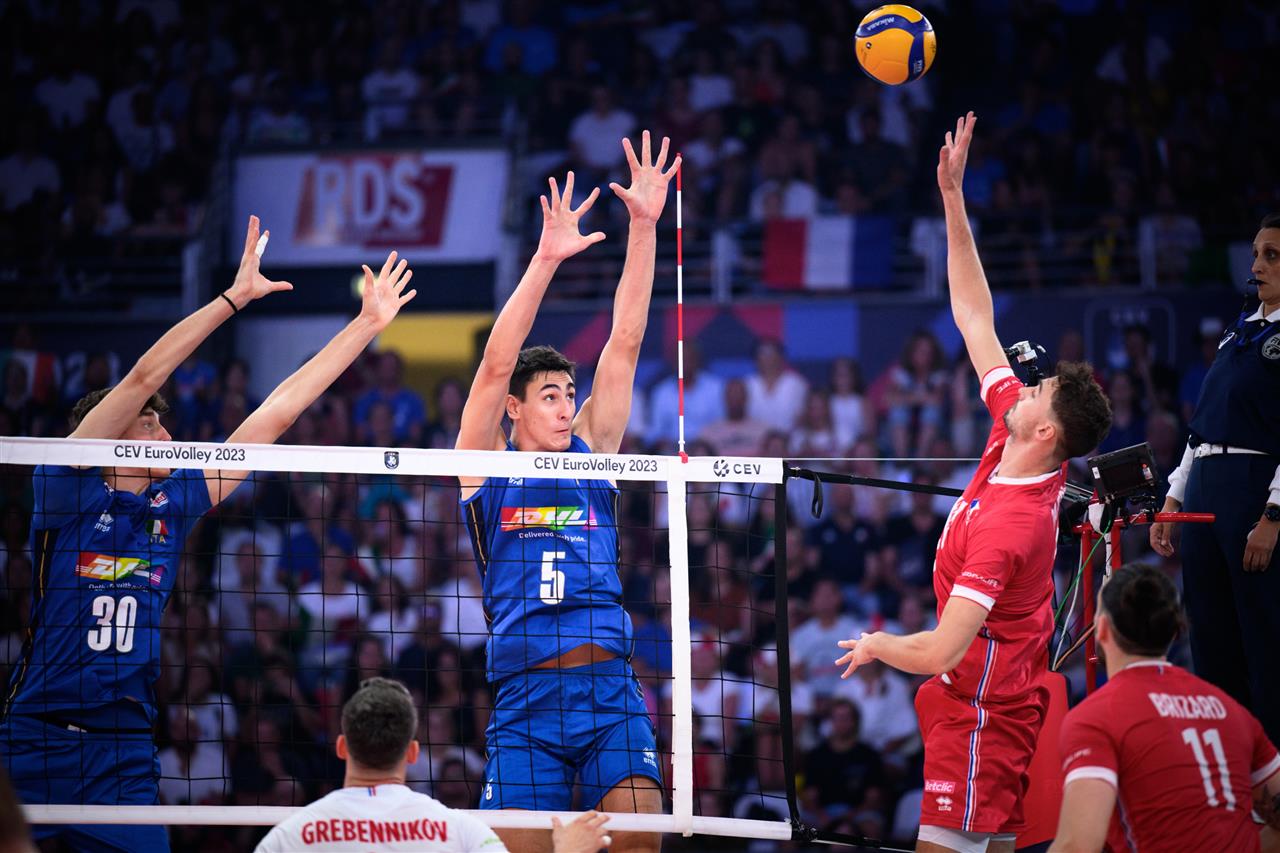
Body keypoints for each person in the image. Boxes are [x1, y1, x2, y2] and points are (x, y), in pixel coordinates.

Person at [0, 217, 417, 853]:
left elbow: (276, 413)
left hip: (124, 750)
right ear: (107, 436)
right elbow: (143, 377)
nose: (167, 435)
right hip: (36, 738)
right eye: (150, 424)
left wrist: (365, 325)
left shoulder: (172, 504)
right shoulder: (63, 487)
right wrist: (233, 298)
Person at [834, 113, 1112, 853]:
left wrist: (876, 642)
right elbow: (971, 313)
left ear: (1047, 432)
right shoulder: (1011, 431)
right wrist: (953, 198)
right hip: (988, 699)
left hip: (983, 710)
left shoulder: (1010, 527)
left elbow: (938, 654)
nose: (1021, 385)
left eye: (1036, 391)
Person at [456, 132, 678, 853]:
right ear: (515, 410)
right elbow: (494, 365)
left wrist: (643, 226)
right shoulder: (485, 467)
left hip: (609, 690)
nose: (563, 405)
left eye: (567, 394)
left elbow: (627, 339)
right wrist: (546, 259)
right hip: (525, 699)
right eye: (548, 395)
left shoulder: (593, 452)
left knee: (642, 840)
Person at [1151, 212, 1280, 746]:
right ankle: (1224, 761)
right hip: (1205, 485)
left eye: (1272, 255)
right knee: (1209, 633)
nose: (1257, 266)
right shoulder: (1238, 330)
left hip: (1254, 487)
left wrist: (1274, 514)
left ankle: (1272, 770)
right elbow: (1202, 427)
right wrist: (1173, 497)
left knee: (1264, 637)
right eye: (1255, 254)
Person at [1050, 564, 1280, 853]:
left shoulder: (1095, 718)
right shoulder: (1230, 710)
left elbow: (1078, 845)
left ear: (1102, 629)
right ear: (1174, 632)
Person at [254, 678, 611, 852]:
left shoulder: (289, 836)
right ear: (412, 753)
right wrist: (567, 850)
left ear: (341, 747)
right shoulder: (462, 831)